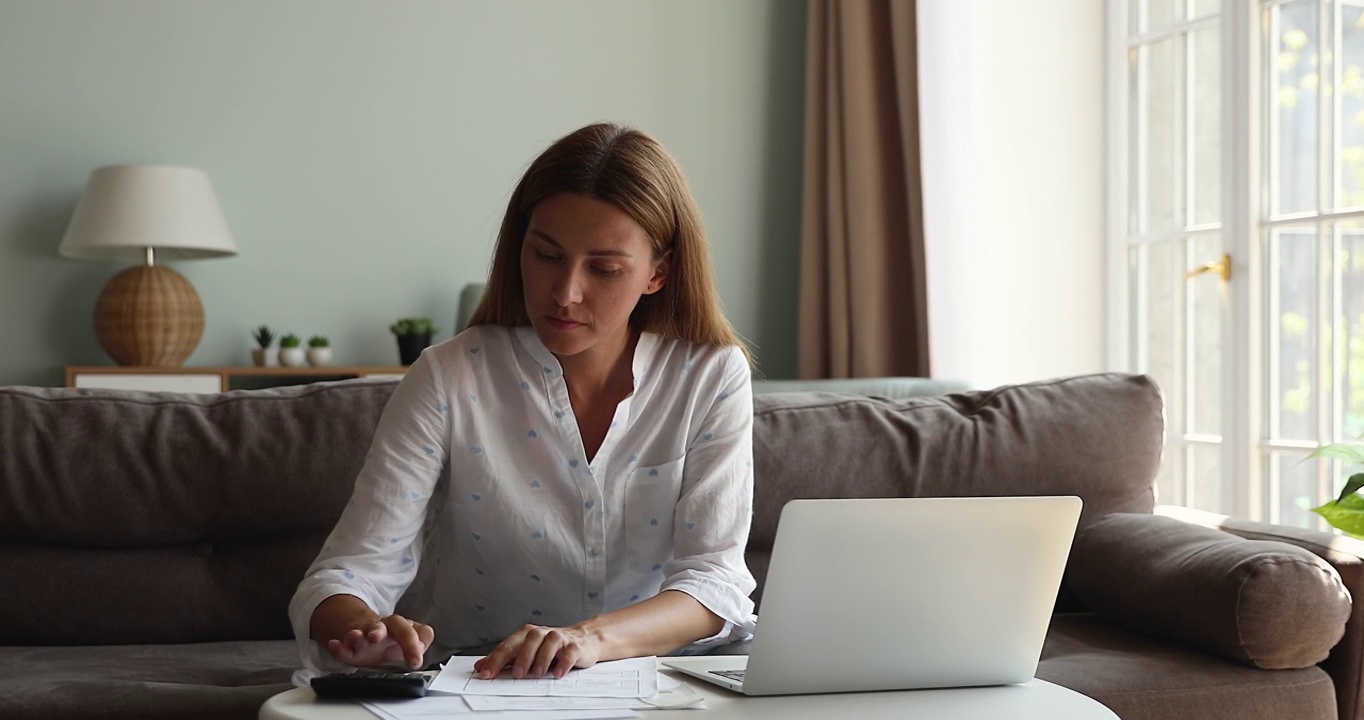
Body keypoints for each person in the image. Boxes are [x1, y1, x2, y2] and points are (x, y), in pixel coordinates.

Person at [288, 122, 757, 684]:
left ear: (658, 272)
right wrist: (365, 632)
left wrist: (588, 640)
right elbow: (346, 574)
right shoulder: (448, 377)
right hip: (484, 682)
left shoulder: (710, 375)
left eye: (604, 269)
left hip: (658, 680)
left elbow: (714, 580)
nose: (565, 293)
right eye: (546, 256)